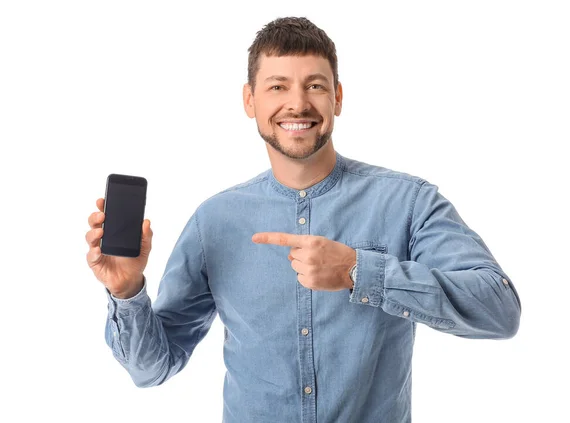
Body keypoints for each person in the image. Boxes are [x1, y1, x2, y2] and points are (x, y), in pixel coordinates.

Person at [85, 16, 521, 423]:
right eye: (278, 87)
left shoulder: (408, 202)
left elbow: (499, 312)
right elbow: (152, 369)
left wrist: (358, 271)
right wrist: (126, 291)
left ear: (338, 97)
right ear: (249, 100)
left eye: (314, 85)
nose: (297, 103)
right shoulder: (213, 221)